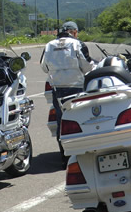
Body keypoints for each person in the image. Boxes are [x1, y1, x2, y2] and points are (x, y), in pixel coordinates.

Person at [40, 21, 94, 165]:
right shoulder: (77, 44)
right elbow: (87, 66)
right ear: (74, 32)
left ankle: (65, 156)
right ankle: (83, 153)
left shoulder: (49, 45)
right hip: (77, 87)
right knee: (82, 119)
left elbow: (44, 67)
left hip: (57, 89)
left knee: (61, 121)